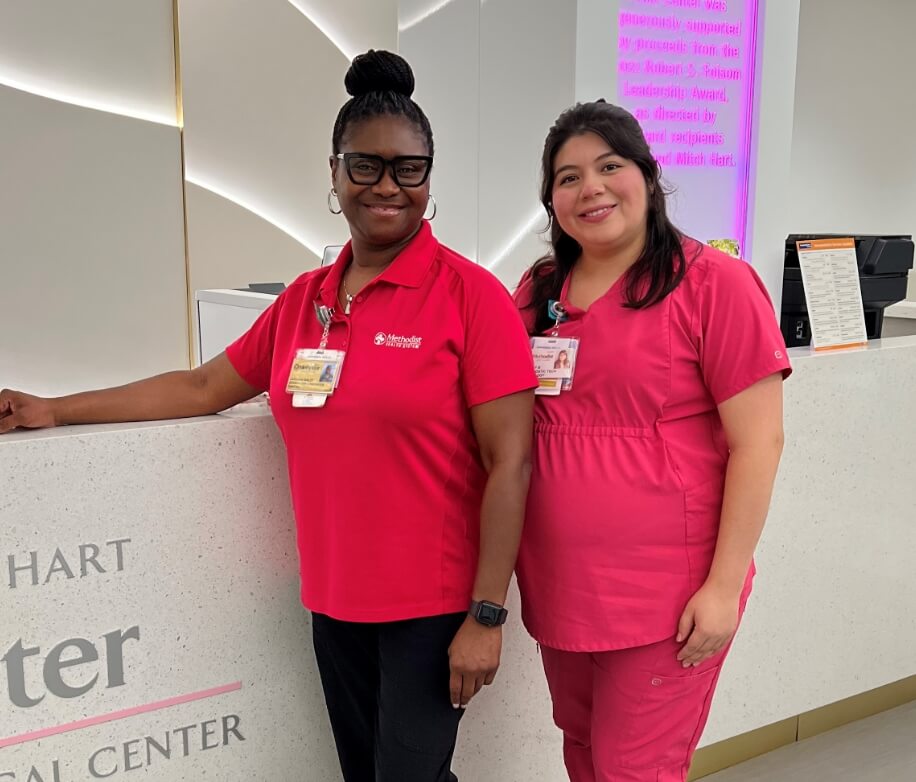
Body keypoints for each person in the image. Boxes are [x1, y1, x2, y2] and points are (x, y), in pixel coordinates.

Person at [0, 50, 537, 782]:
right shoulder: (304, 301)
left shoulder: (471, 297)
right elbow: (199, 387)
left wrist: (487, 614)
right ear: (335, 174)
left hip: (433, 608)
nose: (387, 186)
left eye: (408, 168)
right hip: (335, 603)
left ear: (429, 176)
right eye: (365, 166)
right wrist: (54, 409)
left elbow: (512, 461)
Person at [513, 100, 791, 782]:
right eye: (568, 177)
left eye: (610, 166)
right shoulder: (540, 290)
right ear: (551, 199)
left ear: (647, 173)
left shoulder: (714, 284)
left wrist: (723, 589)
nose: (592, 189)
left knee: (634, 769)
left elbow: (760, 444)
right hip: (560, 585)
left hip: (667, 596)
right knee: (581, 749)